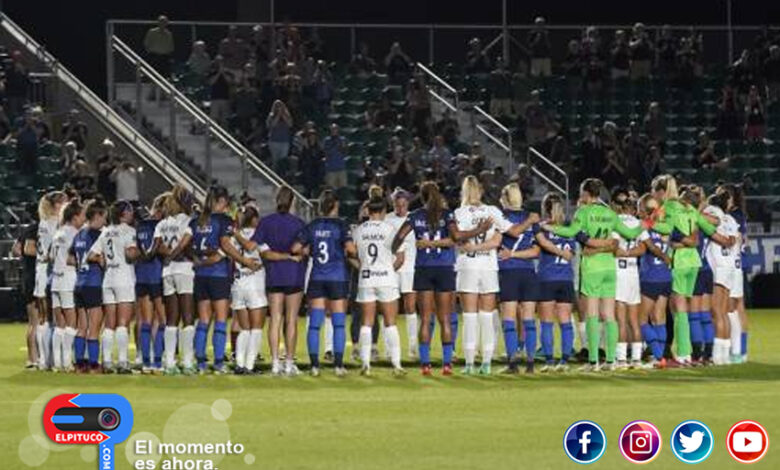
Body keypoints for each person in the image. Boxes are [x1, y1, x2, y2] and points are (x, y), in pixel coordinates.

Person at [542, 178, 647, 371]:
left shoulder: (583, 212)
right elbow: (631, 234)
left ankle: (593, 362)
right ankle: (611, 360)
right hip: (609, 268)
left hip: (592, 268)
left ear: (585, 194)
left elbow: (571, 231)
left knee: (591, 314)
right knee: (609, 315)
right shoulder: (610, 213)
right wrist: (647, 223)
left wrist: (549, 227)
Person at [190, 185, 259, 374]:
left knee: (204, 319)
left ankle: (200, 363)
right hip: (218, 275)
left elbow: (188, 245)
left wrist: (199, 261)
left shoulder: (196, 221)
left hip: (201, 275)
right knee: (221, 319)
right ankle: (219, 362)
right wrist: (245, 261)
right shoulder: (223, 220)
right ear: (221, 201)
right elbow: (226, 245)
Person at [651, 174, 717, 365]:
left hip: (678, 261)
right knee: (682, 309)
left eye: (655, 191)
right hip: (694, 262)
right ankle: (686, 353)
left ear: (661, 191)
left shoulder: (669, 206)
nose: (653, 195)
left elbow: (666, 229)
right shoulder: (689, 207)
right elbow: (710, 229)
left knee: (678, 309)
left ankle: (683, 353)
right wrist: (691, 237)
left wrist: (648, 222)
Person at [392, 182, 456, 376]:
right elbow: (455, 238)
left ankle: (425, 364)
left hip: (423, 269)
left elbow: (399, 237)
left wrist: (394, 250)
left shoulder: (415, 216)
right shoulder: (447, 215)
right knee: (445, 319)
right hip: (444, 268)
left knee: (426, 319)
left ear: (421, 196)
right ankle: (447, 364)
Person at [292, 190, 355, 377]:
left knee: (314, 324)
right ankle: (338, 366)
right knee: (338, 324)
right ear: (335, 205)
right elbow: (351, 249)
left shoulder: (312, 225)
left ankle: (314, 366)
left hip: (318, 277)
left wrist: (308, 250)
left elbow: (295, 248)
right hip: (337, 277)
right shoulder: (341, 225)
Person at [249, 187, 306, 376]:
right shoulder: (298, 223)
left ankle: (274, 363)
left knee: (275, 319)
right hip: (294, 273)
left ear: (276, 200)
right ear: (292, 202)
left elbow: (257, 248)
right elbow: (303, 249)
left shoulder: (265, 222)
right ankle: (288, 363)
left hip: (274, 274)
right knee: (291, 320)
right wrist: (293, 256)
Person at [352, 195, 406, 375]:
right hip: (386, 280)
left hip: (366, 279)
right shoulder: (390, 229)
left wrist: (363, 268)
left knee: (366, 323)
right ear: (383, 211)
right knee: (390, 323)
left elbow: (350, 254)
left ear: (368, 211)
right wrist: (388, 270)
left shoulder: (359, 230)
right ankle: (397, 365)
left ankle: (365, 364)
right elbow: (400, 258)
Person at [495, 183, 541, 374]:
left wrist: (511, 255)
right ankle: (530, 364)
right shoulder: (531, 218)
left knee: (509, 319)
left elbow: (505, 238)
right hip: (528, 272)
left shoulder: (501, 217)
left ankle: (513, 363)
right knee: (529, 319)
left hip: (509, 272)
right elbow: (536, 251)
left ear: (506, 198)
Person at [89, 200, 138, 374]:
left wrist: (102, 259)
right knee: (123, 323)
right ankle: (123, 362)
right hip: (124, 278)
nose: (132, 214)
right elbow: (130, 254)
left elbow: (91, 255)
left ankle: (107, 361)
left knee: (109, 323)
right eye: (130, 211)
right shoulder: (129, 231)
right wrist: (140, 252)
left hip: (108, 279)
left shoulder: (106, 232)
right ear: (123, 214)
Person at [153, 185, 197, 375]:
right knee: (188, 317)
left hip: (167, 271)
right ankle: (187, 362)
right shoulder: (189, 221)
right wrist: (176, 254)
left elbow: (157, 246)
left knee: (171, 318)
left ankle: (169, 362)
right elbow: (185, 244)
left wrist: (168, 255)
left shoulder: (162, 224)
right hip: (184, 269)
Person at [535, 192, 577, 371]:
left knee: (546, 323)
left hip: (547, 278)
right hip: (566, 279)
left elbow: (539, 248)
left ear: (545, 208)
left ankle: (549, 361)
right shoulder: (569, 230)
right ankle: (565, 361)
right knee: (566, 322)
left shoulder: (542, 228)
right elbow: (571, 254)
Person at [702, 190, 740, 365]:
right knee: (723, 313)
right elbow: (732, 241)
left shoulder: (712, 212)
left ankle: (717, 355)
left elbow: (703, 218)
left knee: (716, 312)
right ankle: (725, 354)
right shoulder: (730, 219)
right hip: (729, 266)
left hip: (718, 267)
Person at [230, 204, 268, 375]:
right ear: (254, 219)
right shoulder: (258, 234)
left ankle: (239, 364)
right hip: (255, 283)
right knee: (256, 328)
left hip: (238, 283)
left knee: (244, 329)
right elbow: (266, 254)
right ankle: (250, 365)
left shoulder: (233, 237)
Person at [611, 188, 647, 369]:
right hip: (634, 273)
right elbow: (643, 248)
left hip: (620, 272)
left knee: (621, 320)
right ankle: (637, 359)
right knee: (634, 320)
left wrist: (623, 253)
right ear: (633, 209)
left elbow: (615, 248)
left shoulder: (616, 222)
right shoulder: (638, 223)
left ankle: (621, 359)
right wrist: (631, 253)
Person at [71, 200, 106, 373]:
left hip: (79, 284)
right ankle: (93, 365)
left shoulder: (79, 234)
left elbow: (70, 258)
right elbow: (97, 256)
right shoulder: (98, 235)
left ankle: (79, 364)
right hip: (93, 283)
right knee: (94, 327)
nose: (105, 221)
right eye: (104, 217)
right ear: (97, 216)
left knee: (81, 327)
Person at [637, 194, 672, 367]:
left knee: (641, 320)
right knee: (659, 318)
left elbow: (647, 248)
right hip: (665, 276)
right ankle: (661, 356)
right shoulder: (665, 227)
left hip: (650, 277)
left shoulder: (643, 227)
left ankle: (658, 356)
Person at [34, 191, 68, 369]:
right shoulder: (55, 224)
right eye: (64, 202)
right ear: (56, 205)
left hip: (40, 270)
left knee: (43, 318)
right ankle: (53, 359)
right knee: (53, 317)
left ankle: (44, 360)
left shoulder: (43, 222)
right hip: (49, 271)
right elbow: (52, 253)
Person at [50, 199, 85, 372]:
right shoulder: (75, 234)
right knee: (71, 322)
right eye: (83, 216)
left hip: (55, 281)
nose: (84, 219)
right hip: (68, 280)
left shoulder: (58, 233)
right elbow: (71, 259)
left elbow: (51, 257)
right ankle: (67, 362)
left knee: (59, 325)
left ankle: (57, 363)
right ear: (75, 217)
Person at [384, 188, 418, 357]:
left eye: (403, 205)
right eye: (398, 205)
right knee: (390, 308)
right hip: (392, 268)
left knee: (410, 307)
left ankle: (413, 346)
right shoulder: (387, 219)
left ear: (408, 204)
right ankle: (389, 348)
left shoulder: (414, 218)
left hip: (410, 267)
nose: (400, 208)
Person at [135, 196, 167, 373]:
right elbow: (161, 249)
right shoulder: (160, 226)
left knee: (145, 320)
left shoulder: (140, 226)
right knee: (163, 320)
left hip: (141, 275)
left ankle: (145, 360)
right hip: (157, 275)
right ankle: (158, 360)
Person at [13, 204, 40, 368]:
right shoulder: (36, 229)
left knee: (33, 322)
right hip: (35, 277)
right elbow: (28, 250)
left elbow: (16, 249)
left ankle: (32, 358)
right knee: (37, 321)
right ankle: (35, 359)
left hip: (28, 276)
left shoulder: (27, 229)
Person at [266, 100, 293, 164]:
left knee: (283, 160)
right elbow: (272, 125)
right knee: (275, 160)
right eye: (277, 106)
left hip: (285, 141)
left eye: (280, 106)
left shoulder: (287, 115)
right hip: (274, 141)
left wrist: (283, 115)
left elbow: (290, 124)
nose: (278, 108)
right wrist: (278, 115)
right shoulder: (271, 115)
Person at [322, 123, 347, 189]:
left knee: (342, 188)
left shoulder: (342, 139)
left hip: (341, 167)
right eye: (332, 129)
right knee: (331, 188)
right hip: (331, 168)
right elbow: (326, 152)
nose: (334, 130)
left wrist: (341, 146)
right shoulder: (327, 140)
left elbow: (344, 151)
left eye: (335, 129)